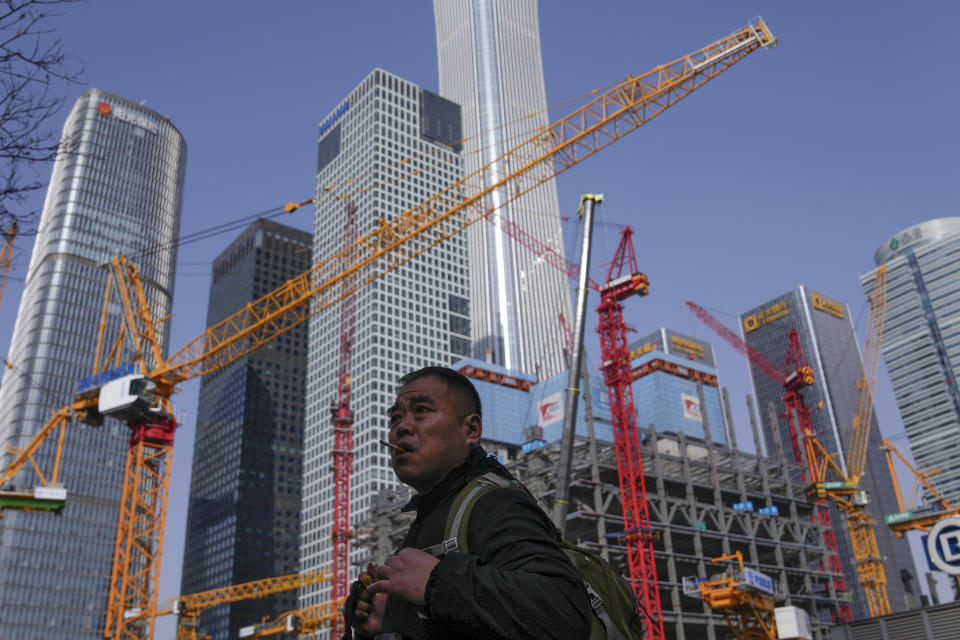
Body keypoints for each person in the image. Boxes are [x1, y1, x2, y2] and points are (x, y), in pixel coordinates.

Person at [345, 366, 592, 639]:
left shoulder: (495, 503)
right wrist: (382, 624)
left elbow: (566, 612)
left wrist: (435, 583)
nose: (401, 427)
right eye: (395, 417)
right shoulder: (428, 519)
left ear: (471, 430)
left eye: (422, 410)